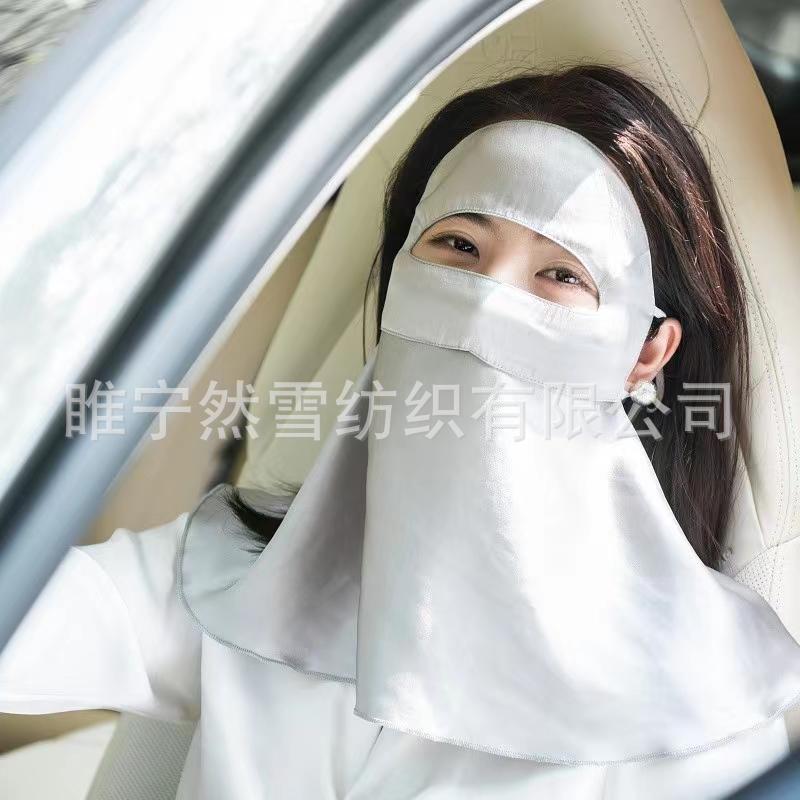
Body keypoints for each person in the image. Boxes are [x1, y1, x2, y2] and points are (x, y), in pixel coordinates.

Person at [2, 65, 800, 800]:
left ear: (645, 354)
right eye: (457, 246)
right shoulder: (242, 573)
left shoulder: (703, 701)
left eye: (561, 275)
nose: (485, 302)